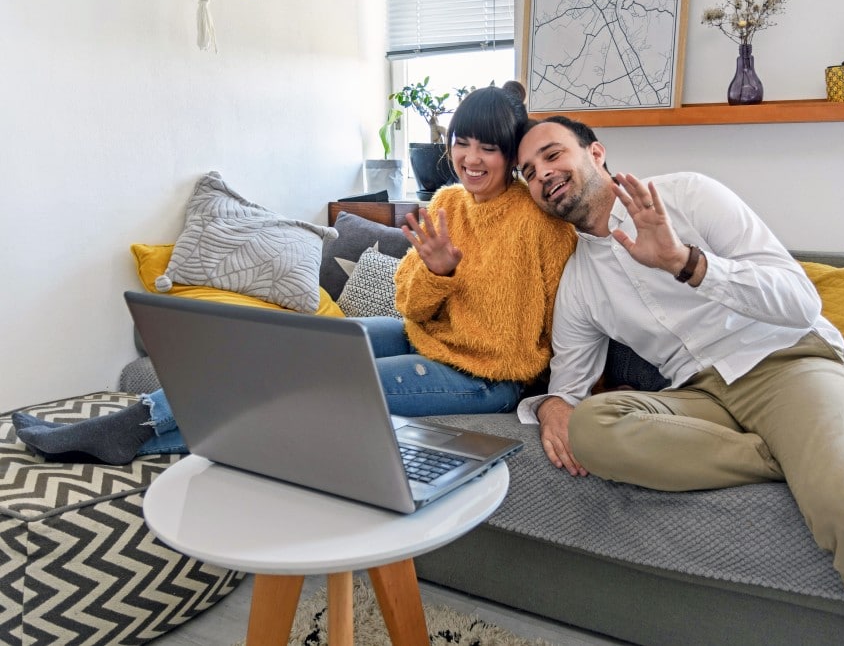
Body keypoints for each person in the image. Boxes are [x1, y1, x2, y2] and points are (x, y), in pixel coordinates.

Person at [514, 115, 844, 645]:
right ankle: (819, 453)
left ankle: (836, 458)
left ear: (595, 154)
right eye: (528, 172)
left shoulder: (688, 195)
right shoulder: (579, 281)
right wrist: (553, 405)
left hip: (787, 362)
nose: (543, 174)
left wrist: (686, 262)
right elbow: (570, 390)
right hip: (699, 397)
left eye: (552, 155)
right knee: (592, 428)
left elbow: (801, 299)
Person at [13, 81, 577, 466]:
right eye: (461, 143)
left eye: (488, 148)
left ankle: (137, 436)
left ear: (511, 155)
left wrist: (564, 398)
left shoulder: (541, 221)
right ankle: (136, 421)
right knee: (288, 346)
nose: (471, 158)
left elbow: (569, 322)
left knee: (319, 384)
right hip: (423, 335)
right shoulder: (448, 202)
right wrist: (437, 272)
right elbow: (408, 304)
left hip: (486, 378)